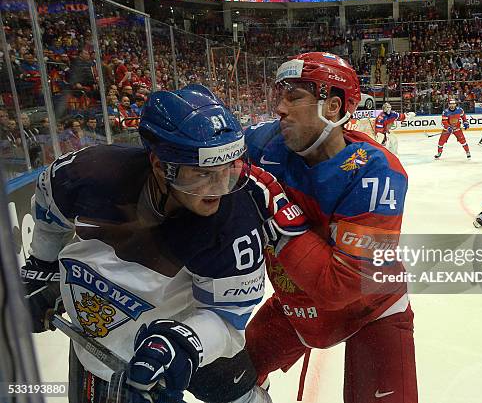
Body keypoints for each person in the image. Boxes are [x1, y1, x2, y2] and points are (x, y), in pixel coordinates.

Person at [19, 84, 308, 403]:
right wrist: (41, 266)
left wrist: (185, 343)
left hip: (180, 328)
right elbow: (49, 208)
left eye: (230, 169)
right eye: (201, 173)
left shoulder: (233, 222)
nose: (219, 188)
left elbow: (226, 318)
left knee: (244, 397)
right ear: (159, 165)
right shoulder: (90, 172)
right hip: (97, 338)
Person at [245, 52, 417, 403]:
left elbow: (341, 287)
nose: (280, 108)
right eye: (281, 96)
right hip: (296, 302)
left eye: (294, 98)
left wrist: (277, 214)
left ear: (333, 107)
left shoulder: (377, 173)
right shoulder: (263, 146)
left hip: (372, 308)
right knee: (227, 382)